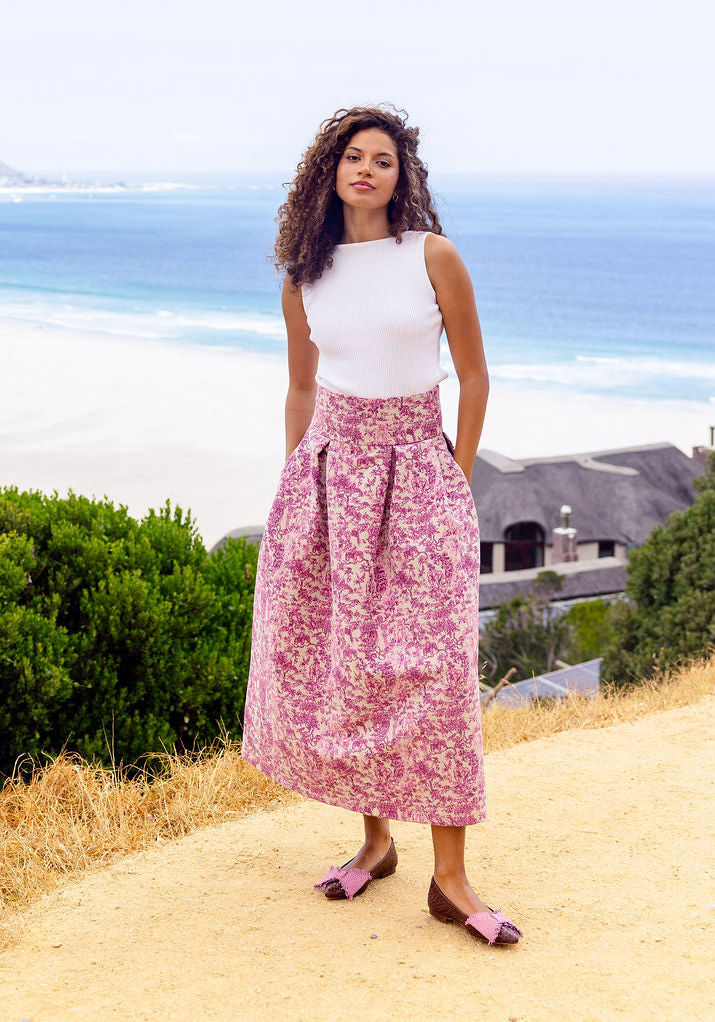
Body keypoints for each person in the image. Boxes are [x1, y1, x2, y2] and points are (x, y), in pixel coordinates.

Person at [241, 104, 521, 946]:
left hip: (417, 472)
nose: (367, 169)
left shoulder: (432, 255)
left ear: (405, 177)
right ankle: (375, 841)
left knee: (433, 666)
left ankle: (451, 878)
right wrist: (298, 483)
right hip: (330, 476)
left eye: (384, 160)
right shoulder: (303, 275)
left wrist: (457, 476)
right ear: (330, 171)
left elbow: (473, 374)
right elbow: (300, 386)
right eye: (353, 157)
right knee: (348, 658)